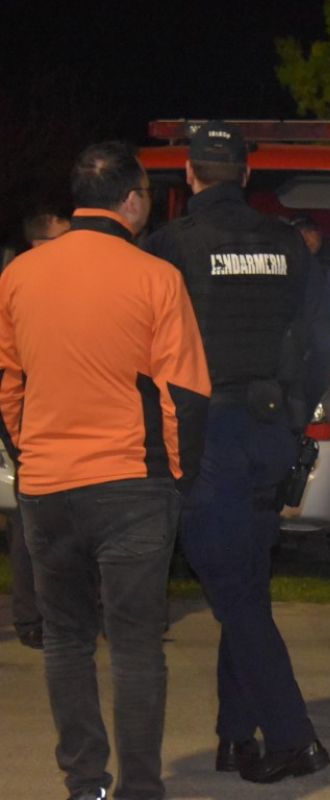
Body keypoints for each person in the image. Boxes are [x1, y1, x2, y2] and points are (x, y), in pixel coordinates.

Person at [0, 141, 210, 800]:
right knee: (135, 645)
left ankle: (84, 783)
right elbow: (185, 394)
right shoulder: (155, 276)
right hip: (131, 485)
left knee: (66, 641)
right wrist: (176, 477)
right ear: (133, 201)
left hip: (48, 484)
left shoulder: (20, 275)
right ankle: (140, 788)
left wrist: (30, 455)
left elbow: (8, 383)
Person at [144, 121, 330, 783]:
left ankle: (294, 738)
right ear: (247, 175)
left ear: (190, 174)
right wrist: (296, 418)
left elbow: (148, 351)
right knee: (246, 583)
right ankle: (235, 736)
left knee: (233, 594)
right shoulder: (287, 243)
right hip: (270, 430)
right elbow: (318, 343)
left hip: (207, 433)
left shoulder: (169, 245)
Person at [5, 205, 72, 650]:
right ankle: (31, 617)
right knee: (31, 527)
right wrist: (17, 437)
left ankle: (52, 613)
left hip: (54, 419)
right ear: (39, 242)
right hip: (35, 423)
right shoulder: (20, 283)